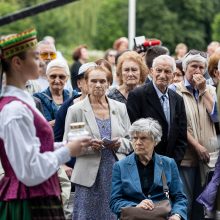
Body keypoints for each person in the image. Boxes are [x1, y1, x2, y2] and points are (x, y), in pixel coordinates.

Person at [0, 28, 91, 219]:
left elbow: (36, 148)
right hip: (28, 202)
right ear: (17, 62)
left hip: (37, 197)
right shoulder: (14, 110)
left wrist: (66, 145)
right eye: (35, 57)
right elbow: (29, 171)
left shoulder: (22, 102)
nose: (41, 62)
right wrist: (67, 151)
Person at [63, 64, 133, 220]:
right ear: (86, 83)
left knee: (113, 215)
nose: (98, 85)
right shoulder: (76, 110)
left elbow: (131, 142)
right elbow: (67, 144)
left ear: (109, 83)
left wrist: (119, 143)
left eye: (102, 81)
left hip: (114, 174)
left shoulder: (120, 108)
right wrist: (88, 146)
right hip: (88, 177)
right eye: (94, 81)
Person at [110, 118, 187, 220]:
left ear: (155, 141)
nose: (138, 142)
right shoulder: (120, 166)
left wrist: (177, 215)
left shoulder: (168, 164)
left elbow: (179, 197)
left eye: (143, 138)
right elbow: (114, 201)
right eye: (134, 138)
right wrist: (136, 206)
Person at [174, 49, 219, 219]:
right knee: (185, 201)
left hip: (209, 159)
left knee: (205, 208)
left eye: (201, 67)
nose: (198, 71)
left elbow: (217, 117)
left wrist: (203, 91)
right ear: (185, 69)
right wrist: (196, 145)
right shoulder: (175, 90)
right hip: (187, 156)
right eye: (194, 66)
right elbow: (177, 124)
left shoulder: (211, 90)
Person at [127, 55, 187, 165]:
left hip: (170, 162)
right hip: (144, 162)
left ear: (173, 75)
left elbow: (181, 136)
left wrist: (173, 162)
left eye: (167, 71)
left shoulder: (177, 99)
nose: (162, 75)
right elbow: (133, 132)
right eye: (159, 70)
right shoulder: (137, 95)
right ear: (151, 72)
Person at [34, 58, 72, 128]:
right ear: (47, 77)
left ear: (67, 78)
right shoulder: (37, 99)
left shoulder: (73, 96)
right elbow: (42, 126)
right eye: (53, 76)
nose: (57, 80)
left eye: (61, 77)